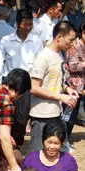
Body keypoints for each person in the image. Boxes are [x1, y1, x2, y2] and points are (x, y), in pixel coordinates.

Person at [29, 21, 79, 153]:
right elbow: (33, 88)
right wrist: (60, 96)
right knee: (37, 156)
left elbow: (56, 81)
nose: (72, 44)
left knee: (54, 156)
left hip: (55, 113)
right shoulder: (43, 57)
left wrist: (67, 89)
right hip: (41, 115)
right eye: (70, 40)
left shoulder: (58, 56)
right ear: (59, 37)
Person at [0, 9, 42, 146]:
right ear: (18, 24)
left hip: (26, 87)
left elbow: (39, 64)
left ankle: (16, 145)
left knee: (22, 118)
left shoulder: (36, 41)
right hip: (9, 86)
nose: (28, 27)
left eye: (31, 24)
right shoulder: (6, 40)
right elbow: (1, 64)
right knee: (6, 116)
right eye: (25, 24)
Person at [63, 22, 85, 140]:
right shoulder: (74, 46)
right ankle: (63, 139)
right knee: (68, 115)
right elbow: (72, 66)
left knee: (73, 115)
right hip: (71, 85)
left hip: (80, 86)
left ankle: (66, 139)